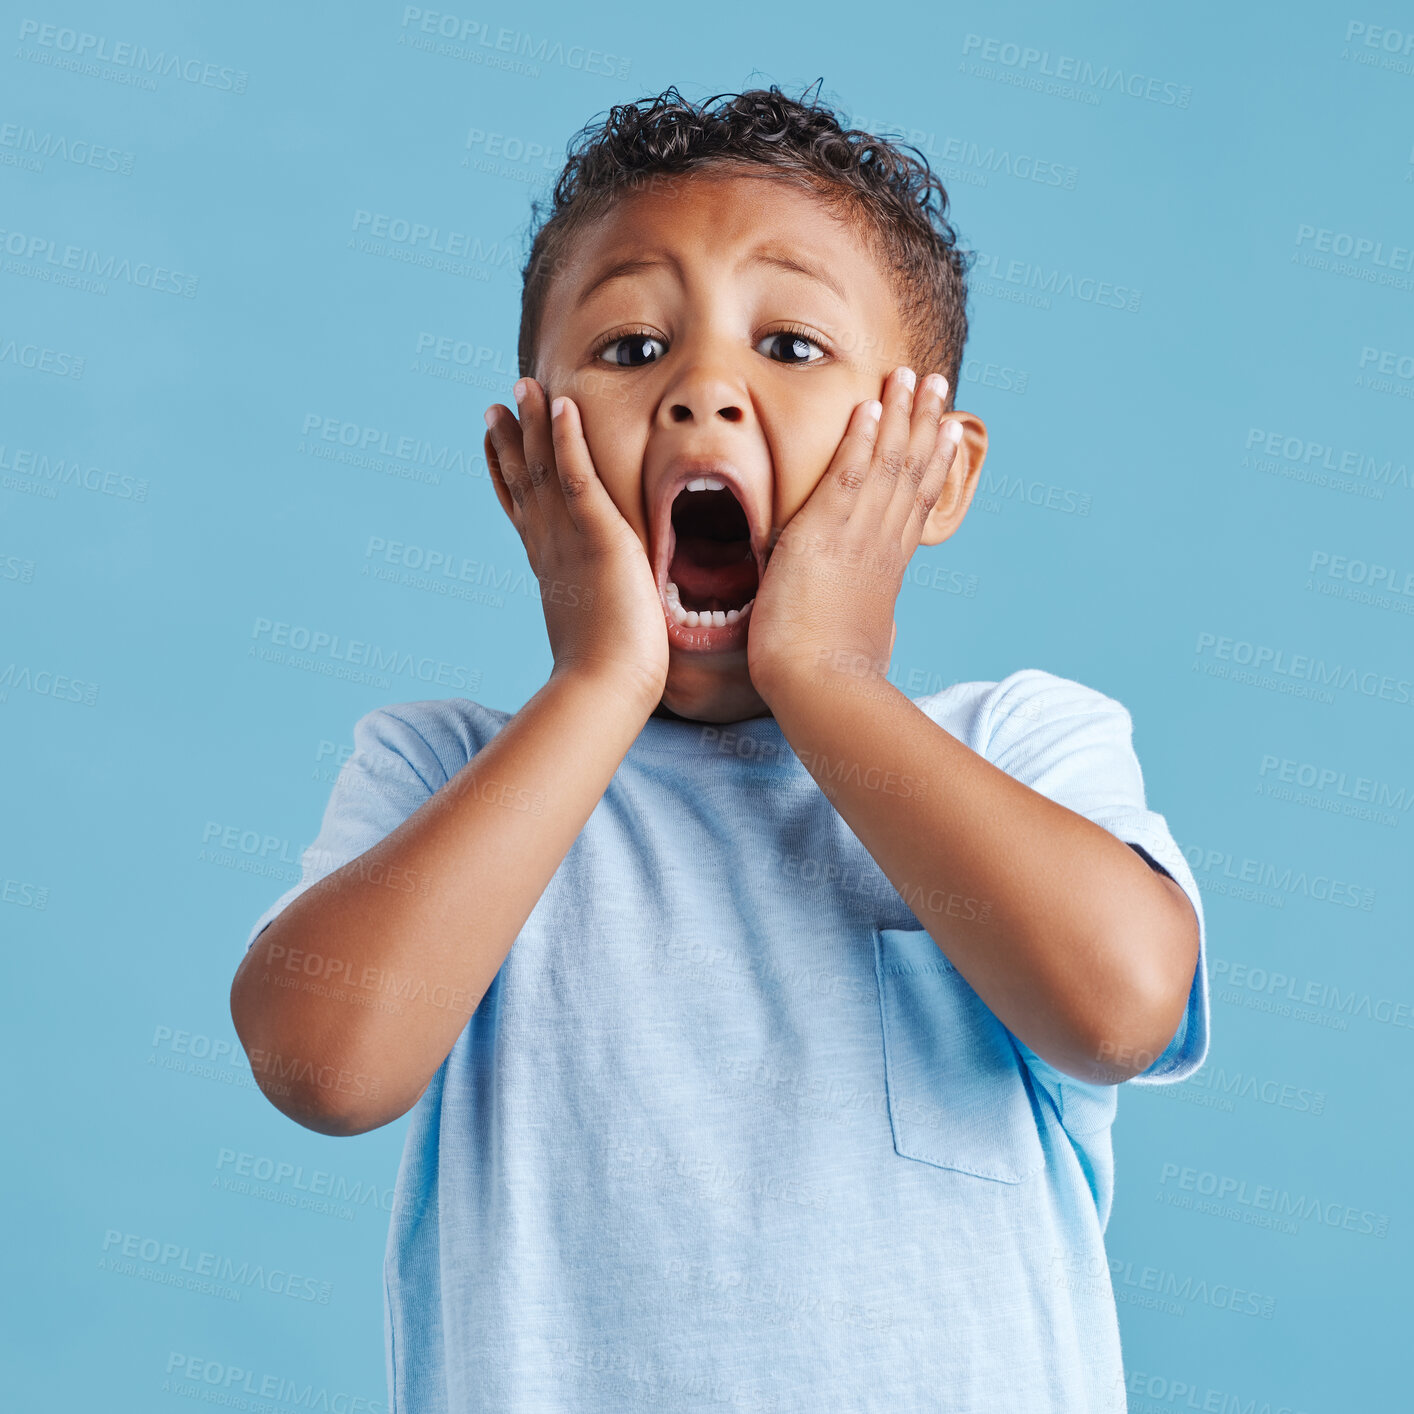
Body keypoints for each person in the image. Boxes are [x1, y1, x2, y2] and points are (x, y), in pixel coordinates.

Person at [230, 83, 1208, 1413]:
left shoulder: (1019, 743)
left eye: (790, 347)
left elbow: (1119, 1002)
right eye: (631, 349)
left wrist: (828, 676)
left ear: (936, 471)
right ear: (524, 453)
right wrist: (596, 680)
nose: (703, 393)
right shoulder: (444, 772)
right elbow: (322, 1063)